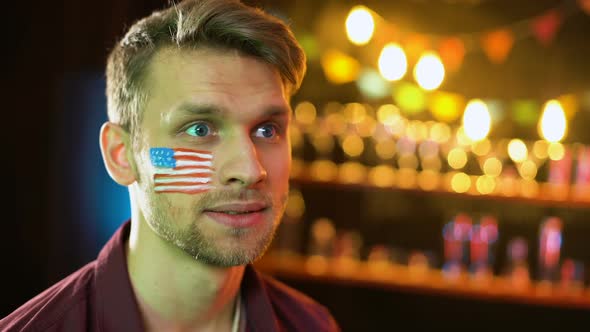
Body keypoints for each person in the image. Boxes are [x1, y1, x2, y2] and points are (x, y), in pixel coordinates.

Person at [0, 0, 341, 331]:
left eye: (267, 130)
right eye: (200, 129)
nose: (251, 170)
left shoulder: (314, 325)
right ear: (121, 154)